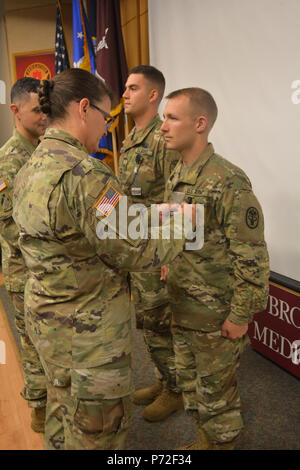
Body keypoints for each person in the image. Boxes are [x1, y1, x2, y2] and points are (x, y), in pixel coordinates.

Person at [12, 68, 188, 450]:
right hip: (90, 338)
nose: (107, 129)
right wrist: (183, 225)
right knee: (99, 435)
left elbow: (76, 233)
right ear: (83, 108)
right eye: (105, 118)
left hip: (48, 327)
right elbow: (133, 248)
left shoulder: (30, 166)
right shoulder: (86, 174)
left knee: (62, 418)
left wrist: (142, 215)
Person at [160, 87, 270, 450]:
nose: (163, 126)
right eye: (164, 117)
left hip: (214, 314)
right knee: (193, 388)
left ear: (200, 123)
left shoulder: (228, 181)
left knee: (218, 397)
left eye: (172, 117)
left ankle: (220, 443)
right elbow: (179, 233)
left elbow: (251, 258)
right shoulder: (177, 173)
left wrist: (240, 316)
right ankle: (205, 440)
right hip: (183, 306)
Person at [118, 65, 182, 422]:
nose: (124, 94)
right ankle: (164, 378)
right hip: (135, 248)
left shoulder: (161, 139)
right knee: (147, 319)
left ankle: (176, 389)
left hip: (155, 250)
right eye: (125, 88)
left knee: (158, 319)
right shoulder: (130, 139)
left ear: (153, 95)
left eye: (132, 88)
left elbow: (177, 197)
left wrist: (169, 254)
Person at [0, 77, 48, 432]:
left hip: (53, 270)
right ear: (15, 111)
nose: (44, 115)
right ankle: (39, 403)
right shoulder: (6, 162)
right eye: (36, 110)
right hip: (24, 272)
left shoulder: (48, 150)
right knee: (32, 342)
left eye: (46, 107)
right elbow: (8, 223)